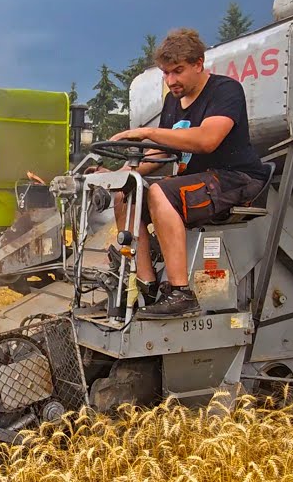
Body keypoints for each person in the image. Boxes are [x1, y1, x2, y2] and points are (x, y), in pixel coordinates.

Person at [110, 28, 270, 318]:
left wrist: (148, 131)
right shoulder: (173, 100)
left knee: (160, 192)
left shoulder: (226, 91)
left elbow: (206, 140)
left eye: (178, 71)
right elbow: (161, 152)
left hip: (237, 178)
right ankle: (145, 285)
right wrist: (121, 174)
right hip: (197, 182)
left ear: (199, 64)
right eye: (166, 73)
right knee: (126, 194)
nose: (171, 80)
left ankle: (181, 293)